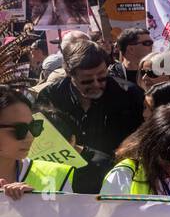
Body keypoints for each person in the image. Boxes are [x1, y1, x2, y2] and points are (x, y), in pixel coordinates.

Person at [33, 38, 144, 191]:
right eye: (87, 81)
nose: (96, 84)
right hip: (66, 182)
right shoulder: (51, 96)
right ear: (68, 74)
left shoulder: (129, 95)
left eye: (102, 77)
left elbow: (141, 140)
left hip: (116, 182)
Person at [0, 87, 75, 197]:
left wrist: (35, 204)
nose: (30, 137)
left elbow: (68, 214)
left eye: (34, 127)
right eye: (19, 129)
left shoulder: (53, 176)